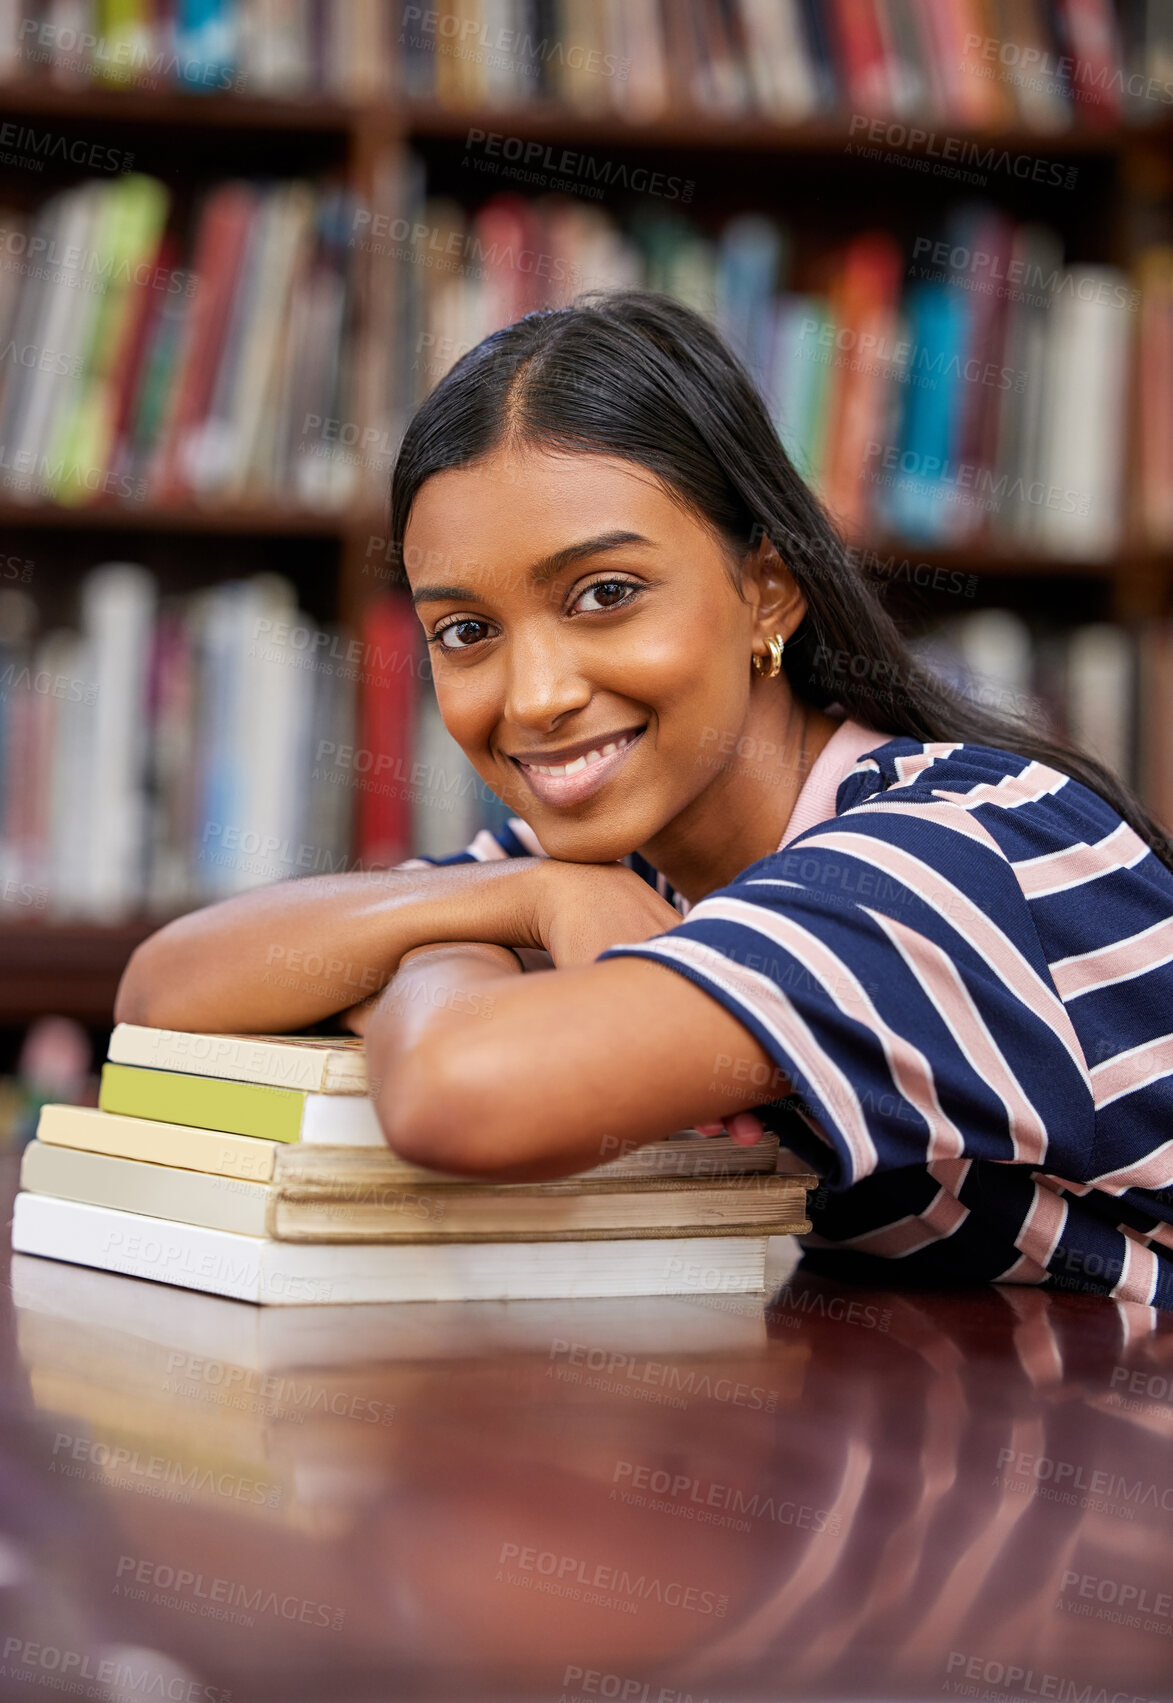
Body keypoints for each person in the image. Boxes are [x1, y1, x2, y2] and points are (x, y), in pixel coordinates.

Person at [115, 291, 1173, 1307]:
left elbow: (456, 1092)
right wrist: (514, 904)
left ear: (769, 587)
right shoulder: (609, 862)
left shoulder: (936, 853)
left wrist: (436, 947)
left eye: (605, 595)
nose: (537, 695)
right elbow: (165, 988)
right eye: (465, 631)